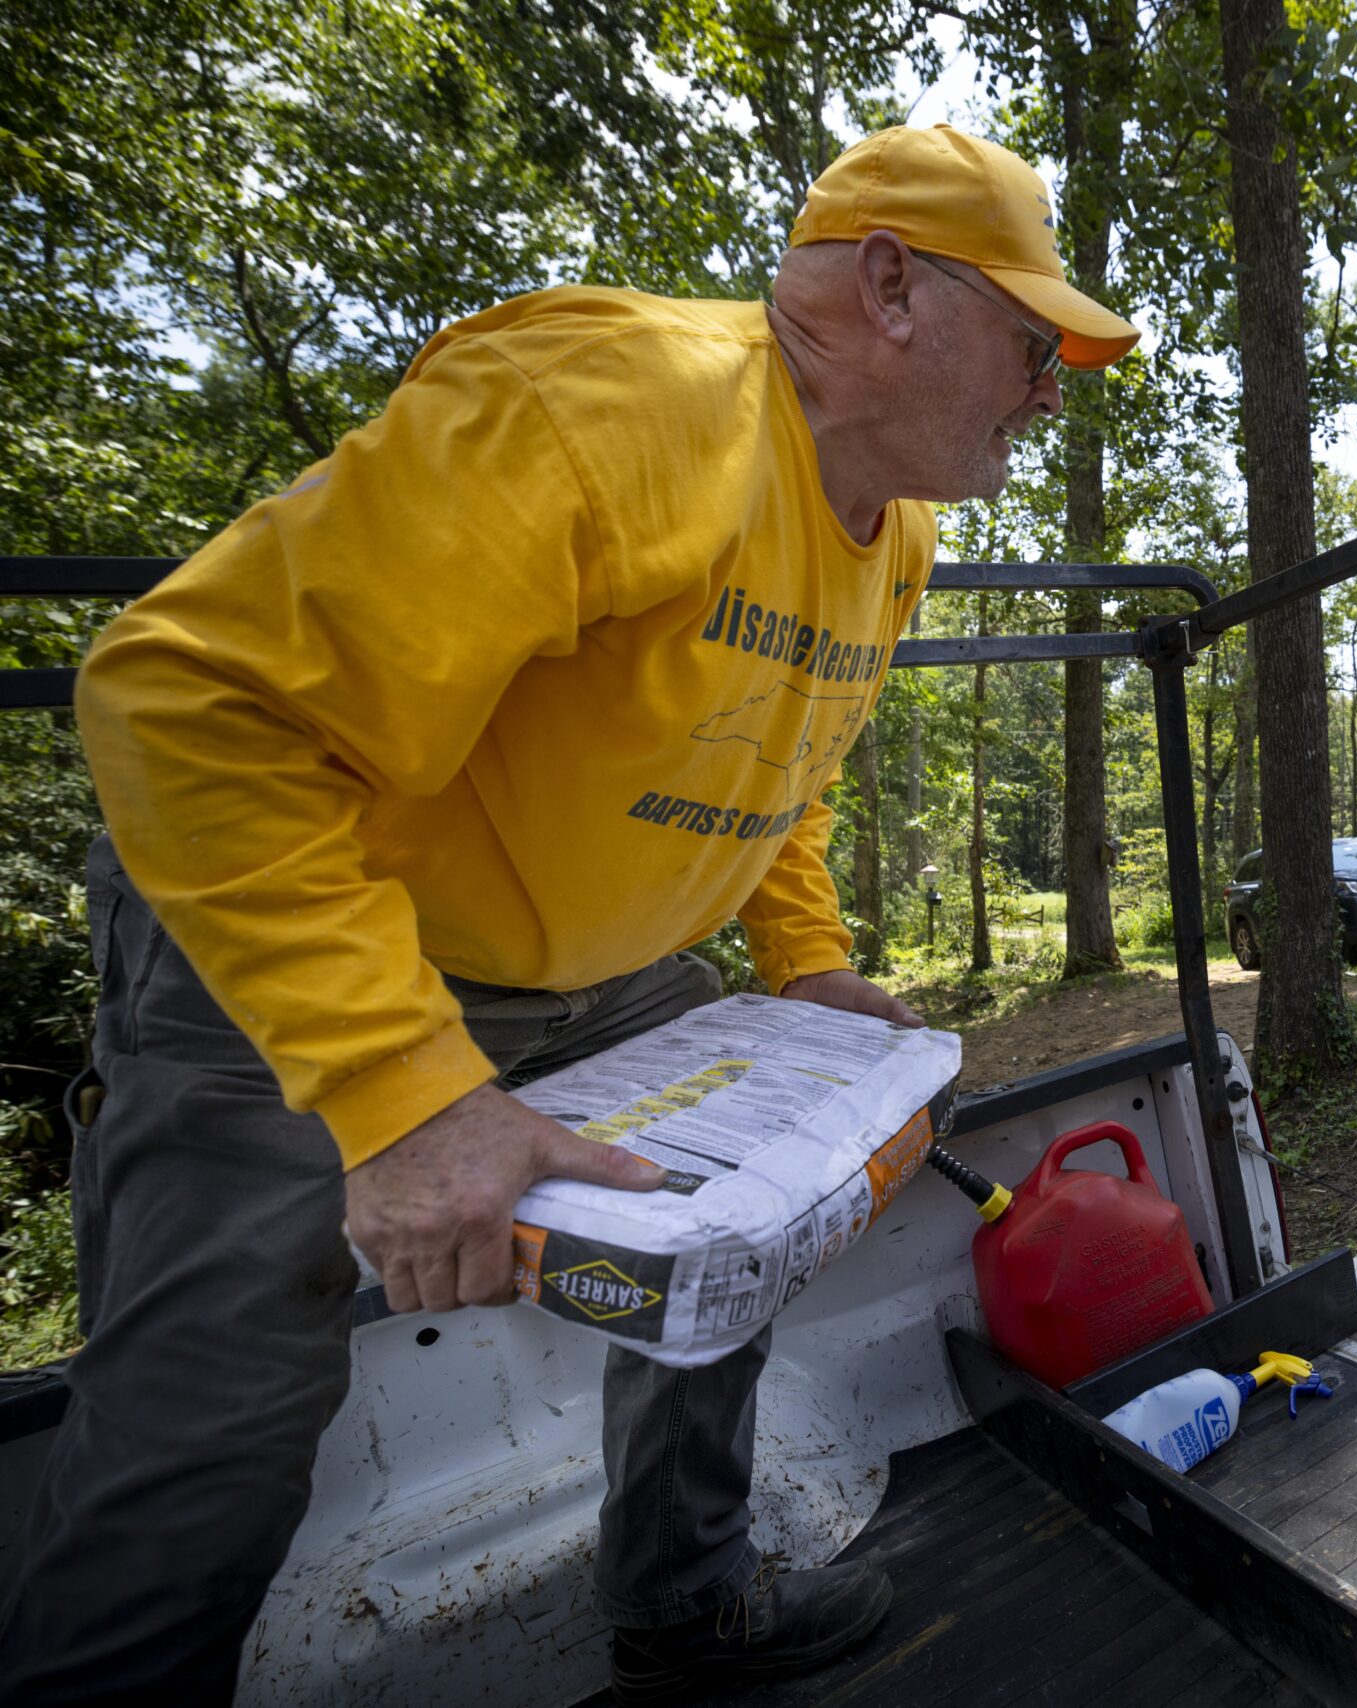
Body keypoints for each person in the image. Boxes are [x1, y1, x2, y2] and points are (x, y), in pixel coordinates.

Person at [0, 124, 1137, 1706]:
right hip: (303, 928)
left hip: (595, 966)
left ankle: (683, 1601)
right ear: (889, 288)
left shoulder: (902, 534)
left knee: (742, 1205)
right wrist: (404, 1096)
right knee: (213, 1436)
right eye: (1032, 343)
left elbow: (782, 756)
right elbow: (188, 706)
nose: (1046, 388)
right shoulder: (627, 408)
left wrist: (801, 966)